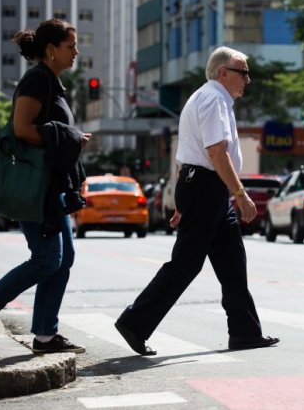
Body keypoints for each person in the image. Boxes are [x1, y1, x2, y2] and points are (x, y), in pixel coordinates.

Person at [115, 46, 279, 355]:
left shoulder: (212, 98)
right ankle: (135, 322)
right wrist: (241, 194)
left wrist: (183, 199)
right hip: (206, 187)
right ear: (223, 73)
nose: (248, 79)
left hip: (204, 188)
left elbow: (189, 155)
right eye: (243, 72)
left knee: (232, 262)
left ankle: (244, 332)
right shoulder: (214, 99)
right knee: (186, 264)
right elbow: (216, 153)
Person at [0, 19, 91, 354]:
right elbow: (21, 128)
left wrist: (71, 140)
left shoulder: (51, 82)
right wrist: (68, 137)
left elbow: (52, 134)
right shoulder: (38, 79)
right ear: (51, 50)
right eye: (70, 46)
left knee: (64, 258)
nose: (76, 52)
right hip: (35, 188)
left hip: (51, 187)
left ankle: (46, 335)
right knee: (47, 260)